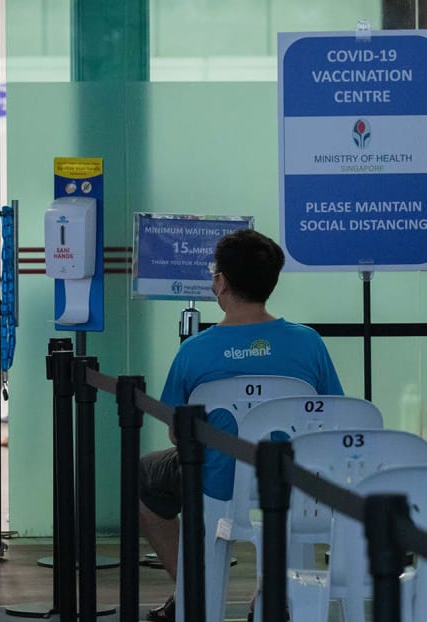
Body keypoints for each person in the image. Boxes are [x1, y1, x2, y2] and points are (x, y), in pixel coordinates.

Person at [140, 230, 343, 622]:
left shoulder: (194, 350)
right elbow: (330, 416)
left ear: (221, 282)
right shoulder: (309, 343)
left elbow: (177, 432)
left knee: (141, 477)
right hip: (290, 480)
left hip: (214, 481)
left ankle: (193, 590)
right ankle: (269, 595)